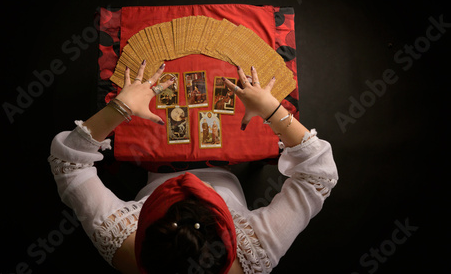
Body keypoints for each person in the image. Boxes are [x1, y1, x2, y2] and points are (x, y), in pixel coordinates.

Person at [48, 61, 338, 274]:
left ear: (144, 232)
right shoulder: (259, 249)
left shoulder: (120, 239)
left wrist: (121, 107)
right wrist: (272, 110)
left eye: (176, 194)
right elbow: (319, 174)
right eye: (203, 194)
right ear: (231, 235)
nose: (188, 178)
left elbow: (69, 164)